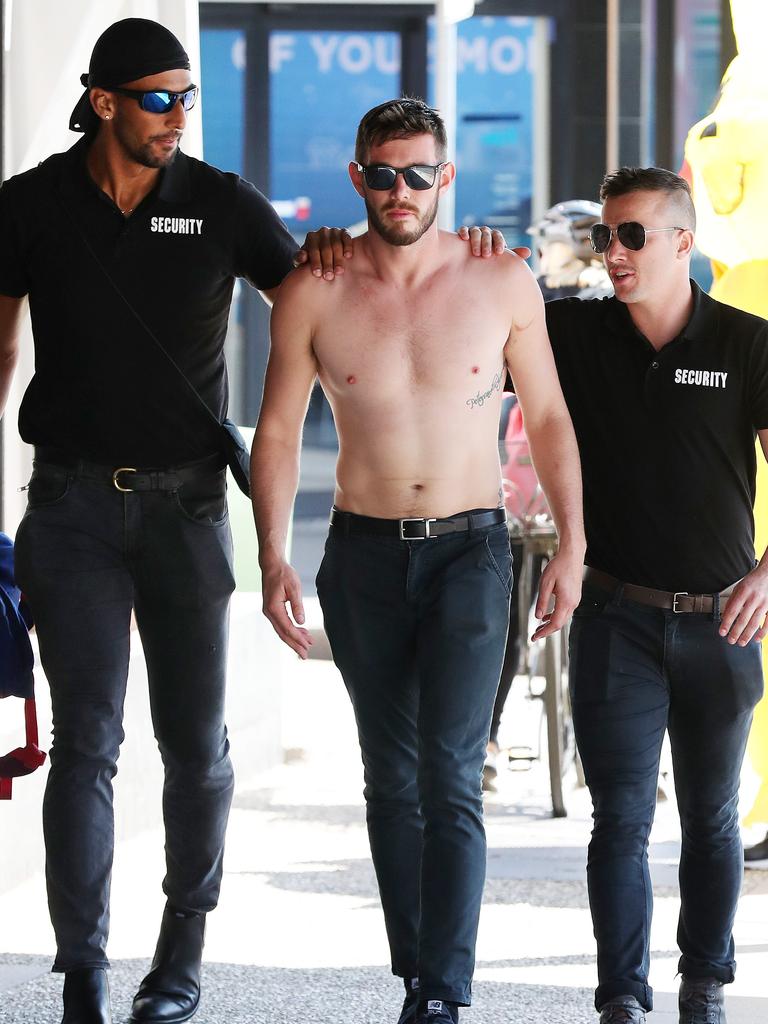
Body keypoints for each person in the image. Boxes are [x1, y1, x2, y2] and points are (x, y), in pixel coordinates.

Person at [0, 17, 359, 1024]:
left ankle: (180, 958)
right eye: (157, 99)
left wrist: (343, 254)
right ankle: (82, 972)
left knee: (198, 745)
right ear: (105, 101)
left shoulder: (221, 204)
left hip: (191, 509)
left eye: (186, 98)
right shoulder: (28, 208)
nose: (177, 117)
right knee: (86, 743)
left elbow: (321, 314)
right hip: (69, 507)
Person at [251, 97, 585, 1024]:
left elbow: (549, 416)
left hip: (472, 552)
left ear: (447, 178)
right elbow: (277, 430)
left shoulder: (501, 278)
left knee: (449, 773)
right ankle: (415, 971)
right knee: (389, 778)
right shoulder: (313, 287)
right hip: (360, 555)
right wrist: (271, 554)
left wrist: (574, 545)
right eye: (384, 173)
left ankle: (444, 987)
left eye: (420, 173)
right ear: (359, 177)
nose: (403, 190)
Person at [542, 167, 767, 1024]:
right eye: (607, 235)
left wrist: (767, 573)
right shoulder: (572, 333)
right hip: (613, 616)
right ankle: (620, 999)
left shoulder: (748, 344)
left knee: (712, 820)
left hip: (721, 622)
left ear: (685, 241)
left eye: (633, 234)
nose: (615, 252)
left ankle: (705, 986)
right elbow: (476, 315)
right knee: (620, 822)